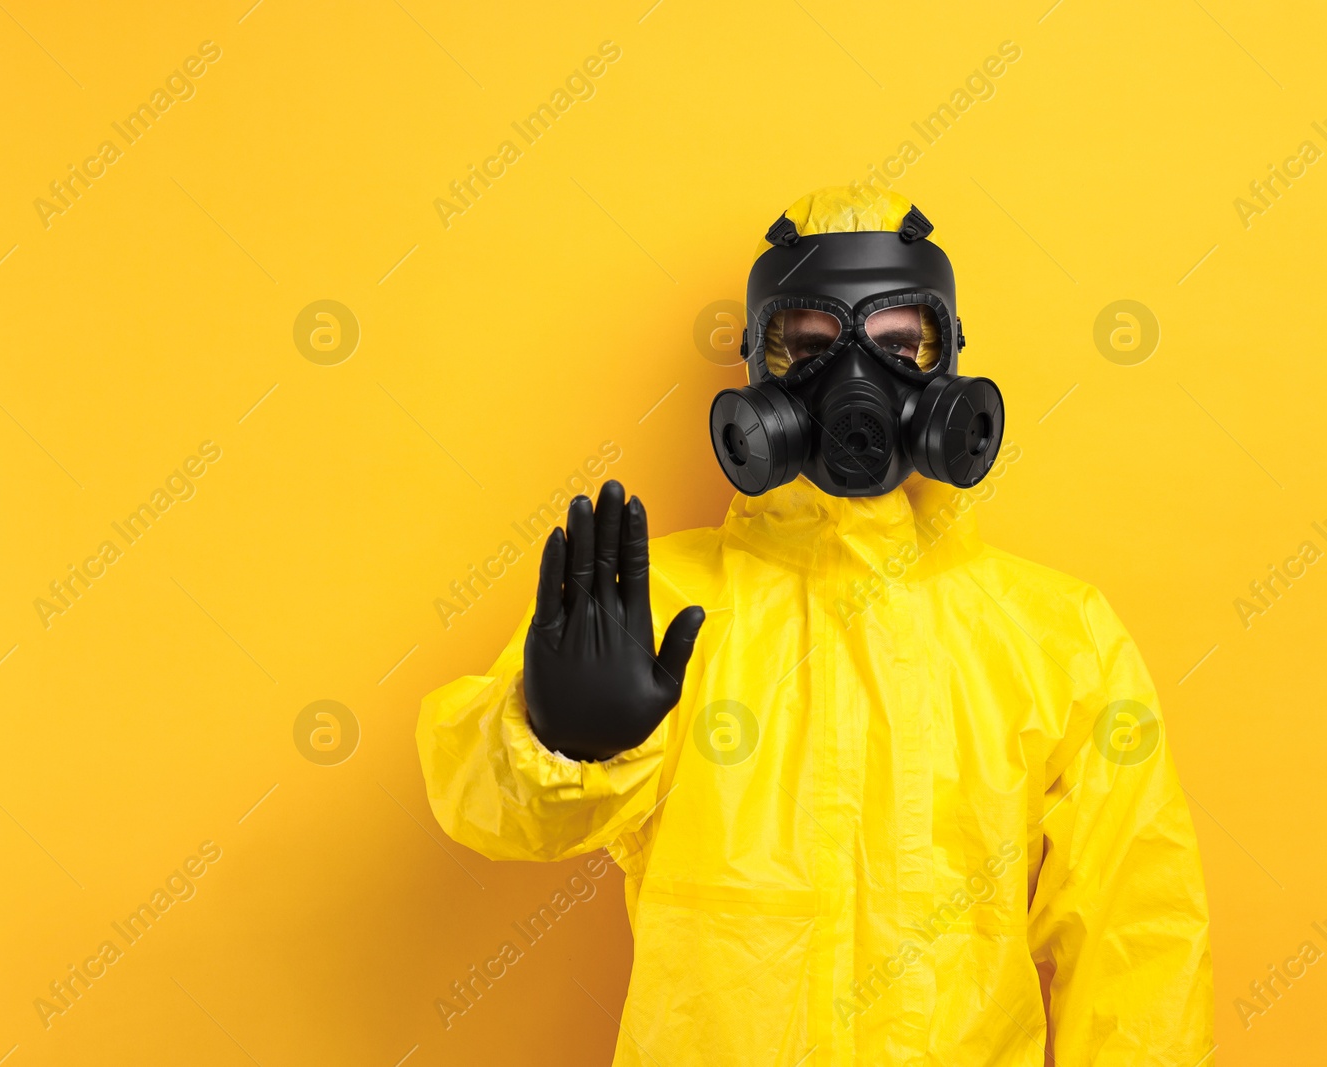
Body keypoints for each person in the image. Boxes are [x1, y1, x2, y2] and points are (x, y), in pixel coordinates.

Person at [416, 187, 1213, 1065]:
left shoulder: (1059, 637)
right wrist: (553, 742)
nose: (856, 383)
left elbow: (1138, 938)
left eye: (899, 346)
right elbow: (481, 808)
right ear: (759, 368)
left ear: (945, 363)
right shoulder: (663, 604)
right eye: (810, 347)